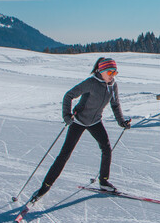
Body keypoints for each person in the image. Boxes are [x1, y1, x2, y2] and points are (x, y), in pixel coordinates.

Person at [27, 57, 131, 204]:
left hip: (95, 122)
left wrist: (121, 122)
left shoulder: (112, 86)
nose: (112, 75)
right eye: (110, 71)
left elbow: (115, 104)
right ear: (100, 71)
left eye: (115, 72)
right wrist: (67, 115)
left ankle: (104, 181)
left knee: (106, 148)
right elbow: (68, 95)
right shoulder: (90, 83)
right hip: (79, 121)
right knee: (65, 154)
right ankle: (45, 187)